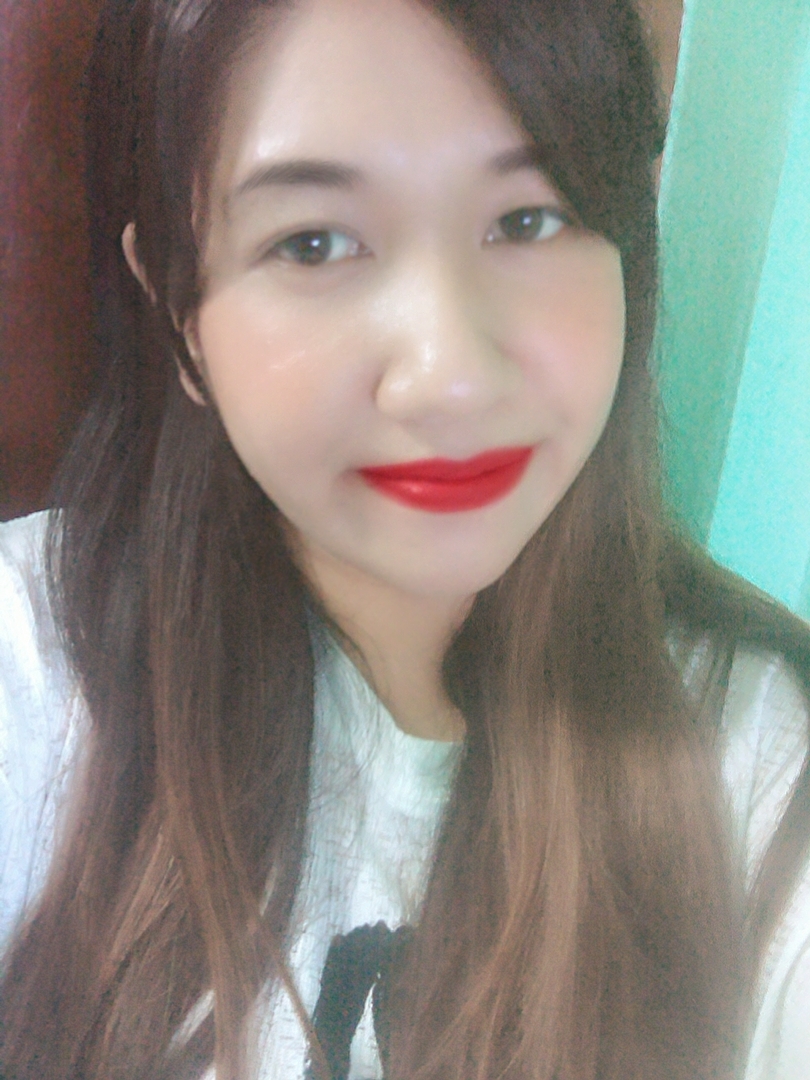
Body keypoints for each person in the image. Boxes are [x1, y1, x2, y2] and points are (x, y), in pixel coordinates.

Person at [1, 0, 809, 1077]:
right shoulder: (33, 673)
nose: (450, 378)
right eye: (314, 243)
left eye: (530, 219)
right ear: (179, 318)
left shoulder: (752, 758)